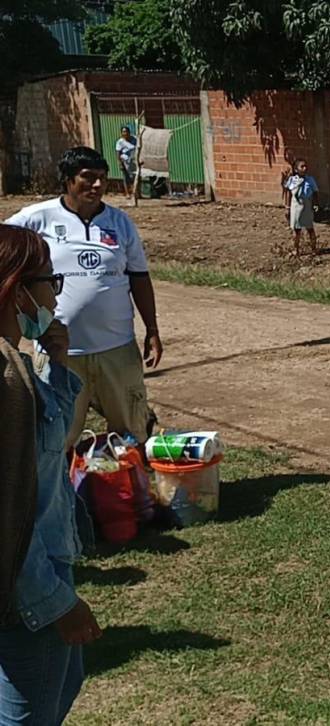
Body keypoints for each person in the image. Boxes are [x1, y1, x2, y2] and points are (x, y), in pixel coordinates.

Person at [0, 224, 102, 725]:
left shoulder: (19, 369)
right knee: (28, 713)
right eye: (49, 282)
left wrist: (55, 364)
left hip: (40, 568)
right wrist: (56, 602)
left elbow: (49, 440)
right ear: (19, 291)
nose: (54, 295)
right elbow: (6, 514)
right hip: (26, 586)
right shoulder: (4, 382)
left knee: (62, 685)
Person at [5, 147, 163, 448]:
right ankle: (61, 492)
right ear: (67, 180)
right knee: (56, 435)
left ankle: (129, 492)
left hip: (117, 347)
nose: (97, 186)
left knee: (131, 431)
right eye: (88, 178)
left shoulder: (120, 223)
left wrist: (152, 329)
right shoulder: (37, 219)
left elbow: (140, 278)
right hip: (59, 350)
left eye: (102, 178)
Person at [283, 159, 319, 257]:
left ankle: (314, 249)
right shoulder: (292, 180)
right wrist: (287, 207)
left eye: (305, 166)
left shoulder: (310, 179)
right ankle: (296, 249)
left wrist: (315, 204)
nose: (304, 168)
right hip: (296, 206)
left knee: (310, 228)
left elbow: (315, 192)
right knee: (296, 229)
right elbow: (288, 194)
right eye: (302, 167)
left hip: (306, 205)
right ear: (296, 169)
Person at [115, 126, 137, 195]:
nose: (125, 133)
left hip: (134, 160)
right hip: (125, 161)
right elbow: (118, 153)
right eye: (123, 132)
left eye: (126, 131)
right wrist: (120, 163)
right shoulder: (120, 142)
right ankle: (127, 193)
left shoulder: (134, 139)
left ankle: (136, 192)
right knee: (126, 177)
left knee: (135, 177)